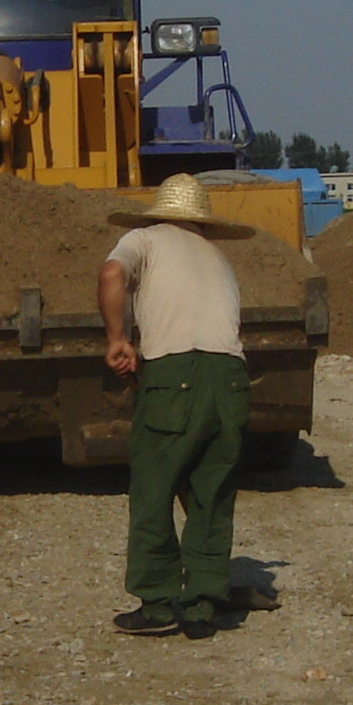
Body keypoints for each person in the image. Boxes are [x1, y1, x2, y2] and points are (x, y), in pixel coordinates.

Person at [98, 174, 255, 641]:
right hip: (230, 377)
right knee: (212, 490)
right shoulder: (219, 257)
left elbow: (111, 276)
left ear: (159, 213)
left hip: (175, 374)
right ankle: (204, 603)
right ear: (201, 221)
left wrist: (117, 339)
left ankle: (159, 601)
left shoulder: (143, 239)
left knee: (155, 485)